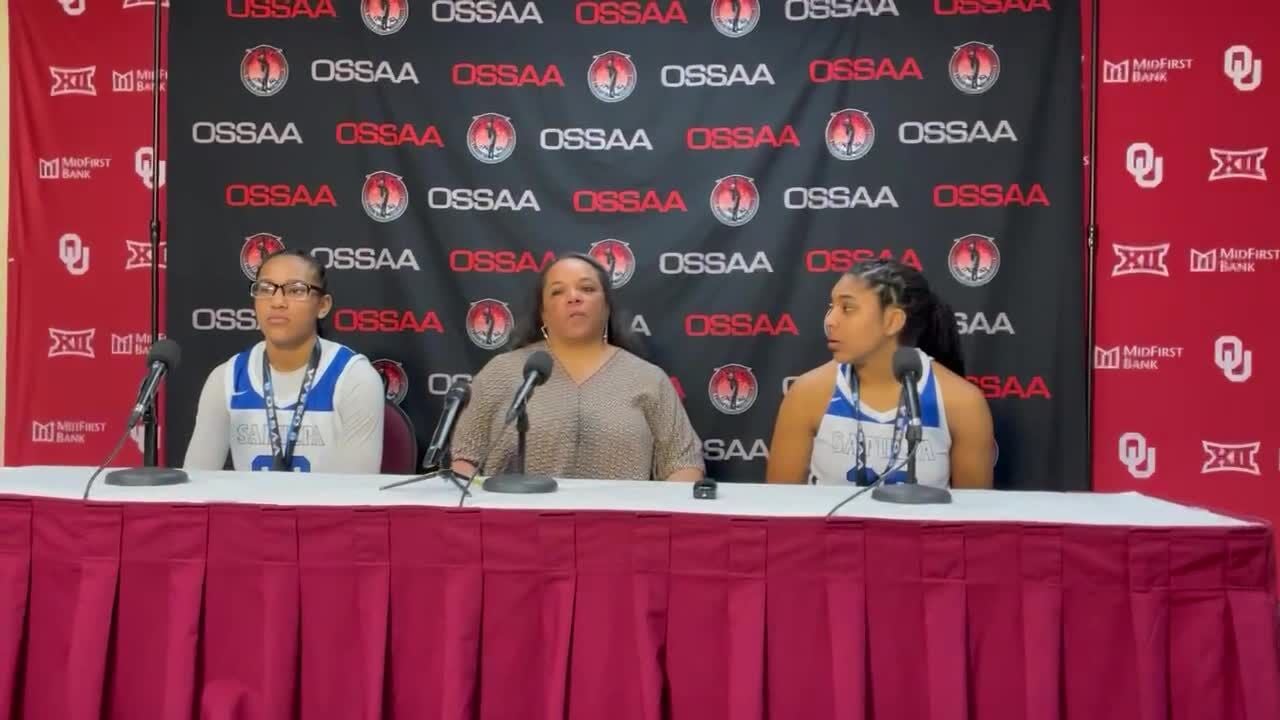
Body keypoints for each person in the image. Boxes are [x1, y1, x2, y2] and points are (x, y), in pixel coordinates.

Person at [449, 253, 705, 481]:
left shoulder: (648, 379)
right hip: (515, 530)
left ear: (606, 307)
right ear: (544, 313)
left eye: (587, 288)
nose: (573, 297)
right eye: (558, 292)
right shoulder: (502, 372)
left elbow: (684, 465)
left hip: (620, 529)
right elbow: (465, 457)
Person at [766, 259, 994, 488]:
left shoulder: (962, 402)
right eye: (831, 307)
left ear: (892, 321)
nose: (830, 321)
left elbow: (973, 517)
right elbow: (780, 506)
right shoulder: (808, 392)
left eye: (847, 308)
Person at [184, 249, 385, 473]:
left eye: (296, 290)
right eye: (266, 289)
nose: (277, 301)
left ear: (323, 306)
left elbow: (356, 493)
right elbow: (196, 481)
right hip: (249, 509)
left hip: (326, 509)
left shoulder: (354, 377)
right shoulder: (227, 378)